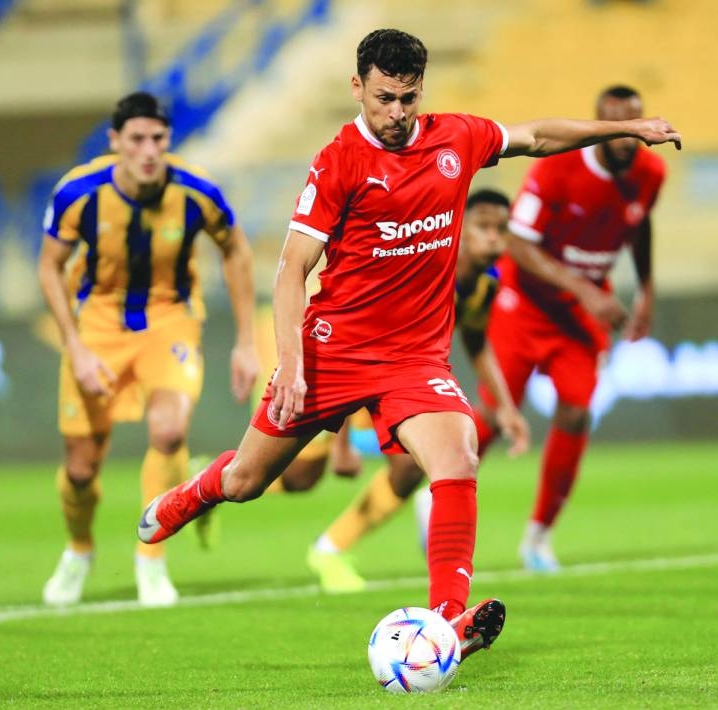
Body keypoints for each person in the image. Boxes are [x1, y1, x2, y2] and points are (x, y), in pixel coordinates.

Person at [138, 29, 680, 660]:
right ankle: (193, 494)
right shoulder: (338, 161)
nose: (396, 113)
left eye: (408, 98)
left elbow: (535, 136)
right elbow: (290, 270)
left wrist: (626, 129)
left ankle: (447, 622)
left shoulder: (456, 138)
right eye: (384, 99)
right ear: (357, 87)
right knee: (246, 481)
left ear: (421, 90)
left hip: (414, 360)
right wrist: (291, 365)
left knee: (459, 457)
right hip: (333, 351)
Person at [38, 92, 260, 607]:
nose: (148, 150)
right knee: (81, 469)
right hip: (97, 326)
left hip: (170, 319)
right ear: (115, 140)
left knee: (169, 430)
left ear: (168, 140)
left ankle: (151, 560)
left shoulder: (197, 190)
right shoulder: (79, 192)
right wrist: (75, 347)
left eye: (158, 138)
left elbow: (236, 251)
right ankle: (78, 549)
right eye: (136, 139)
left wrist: (247, 342)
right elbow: (49, 265)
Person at [470, 84, 668, 572]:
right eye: (618, 130)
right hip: (525, 302)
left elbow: (640, 224)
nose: (627, 141)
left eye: (633, 129)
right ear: (604, 126)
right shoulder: (556, 168)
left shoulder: (651, 173)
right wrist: (584, 289)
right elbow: (518, 244)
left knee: (578, 411)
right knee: (494, 415)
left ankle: (538, 538)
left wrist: (646, 289)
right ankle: (440, 492)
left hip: (579, 313)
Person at [296, 188, 530, 593]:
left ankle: (329, 549)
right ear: (459, 228)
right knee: (292, 476)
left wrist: (506, 407)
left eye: (502, 229)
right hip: (338, 368)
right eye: (484, 226)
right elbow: (356, 345)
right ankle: (210, 484)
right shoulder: (421, 271)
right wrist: (342, 444)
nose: (494, 237)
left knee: (407, 468)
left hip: (394, 381)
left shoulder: (485, 284)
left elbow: (476, 343)